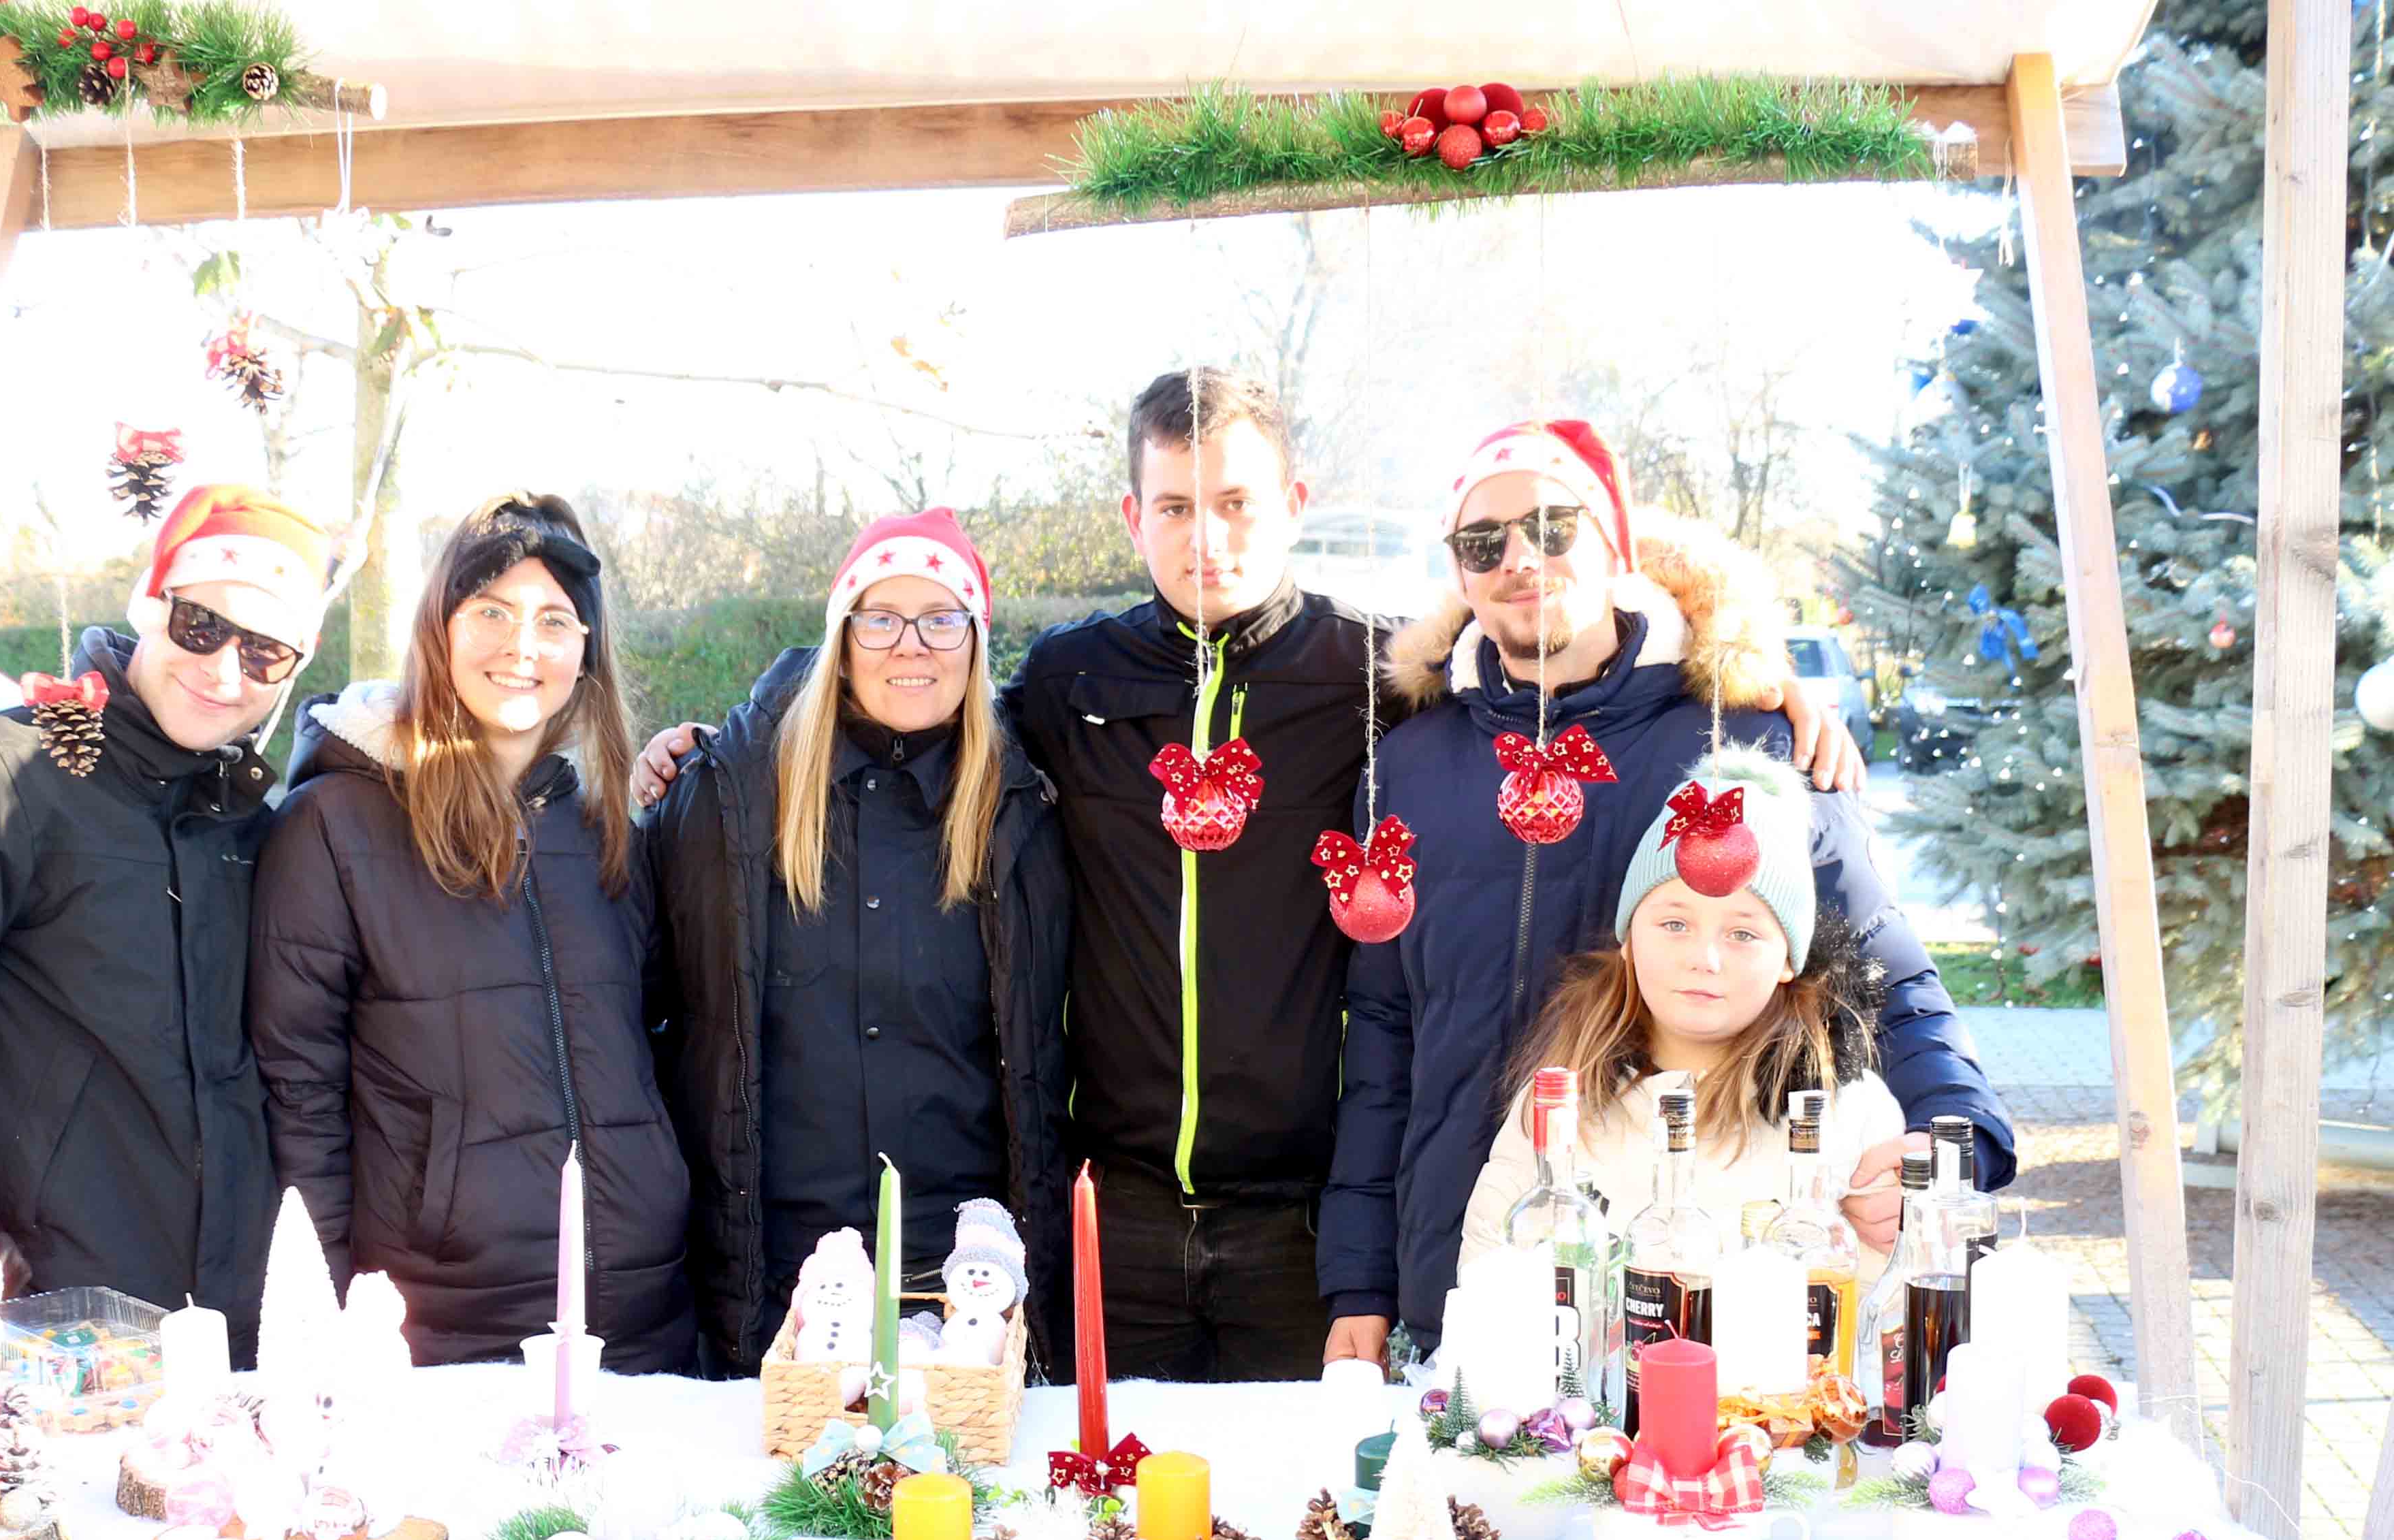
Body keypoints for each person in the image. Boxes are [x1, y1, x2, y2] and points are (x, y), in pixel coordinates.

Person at [635, 371, 1857, 1383]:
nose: (1203, 537)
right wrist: (726, 738)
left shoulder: (1378, 686)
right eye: (1172, 507)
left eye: (1232, 502)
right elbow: (908, 700)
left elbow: (1542, 675)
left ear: (1289, 502)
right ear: (1131, 517)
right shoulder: (1070, 684)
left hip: (1296, 1216)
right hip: (1109, 1208)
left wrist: (1748, 679)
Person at [1320, 419, 2013, 1363]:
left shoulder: (1752, 745)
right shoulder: (1408, 767)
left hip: (1704, 1300)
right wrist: (1359, 1276)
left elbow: (1891, 981)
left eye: (1554, 526)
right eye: (1483, 541)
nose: (1521, 558)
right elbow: (1384, 1038)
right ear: (1459, 570)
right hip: (1477, 1287)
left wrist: (1949, 1141)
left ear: (1615, 540)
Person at [0, 482, 328, 1353]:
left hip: (230, 1325)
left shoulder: (253, 822)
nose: (223, 672)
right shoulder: (1, 771)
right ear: (154, 607)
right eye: (202, 628)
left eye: (265, 653)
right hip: (52, 1317)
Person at [249, 494, 695, 1372]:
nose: (521, 644)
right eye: (491, 610)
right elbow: (298, 1094)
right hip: (445, 1322)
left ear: (585, 653)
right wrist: (328, 1319)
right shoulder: (336, 825)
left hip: (642, 1314)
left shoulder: (605, 830)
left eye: (553, 619)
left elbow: (656, 1038)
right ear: (439, 631)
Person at [645, 507, 1070, 1379]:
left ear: (975, 642)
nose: (910, 644)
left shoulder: (1024, 814)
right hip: (786, 1280)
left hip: (966, 1292)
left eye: (941, 617)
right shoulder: (728, 801)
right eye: (880, 617)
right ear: (842, 635)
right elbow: (646, 1006)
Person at [1454, 749, 1905, 1273]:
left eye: (1743, 933)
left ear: (1788, 960)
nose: (1704, 960)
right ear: (1629, 939)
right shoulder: (1559, 1103)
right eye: (1674, 925)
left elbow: (1883, 1308)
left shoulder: (1845, 1112)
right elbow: (1489, 1282)